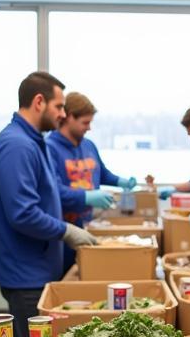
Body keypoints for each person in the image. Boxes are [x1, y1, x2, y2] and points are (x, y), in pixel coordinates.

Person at [0, 72, 98, 337]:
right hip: (26, 276)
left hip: (39, 268)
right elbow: (22, 213)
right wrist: (66, 231)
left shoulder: (35, 142)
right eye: (59, 106)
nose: (62, 114)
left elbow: (49, 195)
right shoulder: (17, 146)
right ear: (39, 102)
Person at [47, 91, 136, 273]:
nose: (89, 128)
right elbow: (53, 191)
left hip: (87, 227)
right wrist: (86, 197)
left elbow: (101, 174)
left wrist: (121, 181)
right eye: (85, 123)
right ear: (69, 117)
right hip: (63, 234)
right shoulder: (50, 149)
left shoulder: (88, 146)